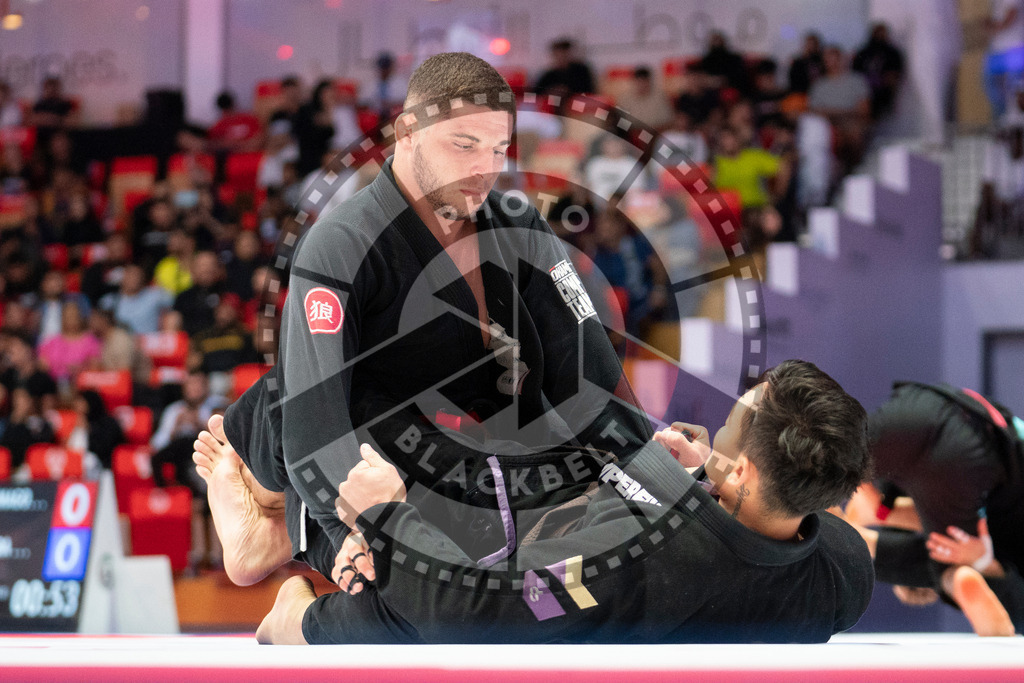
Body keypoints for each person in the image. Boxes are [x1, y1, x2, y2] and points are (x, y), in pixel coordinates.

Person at [230, 359, 874, 644]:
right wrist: (709, 469)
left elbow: (467, 615)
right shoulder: (832, 574)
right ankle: (284, 539)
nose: (716, 436)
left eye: (730, 429)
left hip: (457, 597)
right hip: (537, 534)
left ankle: (283, 569)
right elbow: (828, 535)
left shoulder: (638, 557)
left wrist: (387, 515)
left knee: (297, 393)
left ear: (749, 478)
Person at [841, 381, 1024, 637]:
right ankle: (962, 578)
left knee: (833, 453)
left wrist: (881, 508)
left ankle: (848, 535)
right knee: (955, 561)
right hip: (969, 459)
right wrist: (983, 562)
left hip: (926, 405)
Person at [852, 23, 905, 121]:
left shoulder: (892, 52)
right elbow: (855, 72)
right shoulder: (863, 52)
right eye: (878, 32)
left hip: (883, 90)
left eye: (882, 32)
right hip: (863, 88)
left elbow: (895, 73)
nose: (880, 35)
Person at [615, 66, 673, 131]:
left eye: (644, 82)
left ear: (649, 82)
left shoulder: (660, 96)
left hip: (656, 133)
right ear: (634, 82)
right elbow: (619, 122)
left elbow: (668, 122)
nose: (642, 85)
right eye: (639, 82)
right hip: (632, 134)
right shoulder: (624, 98)